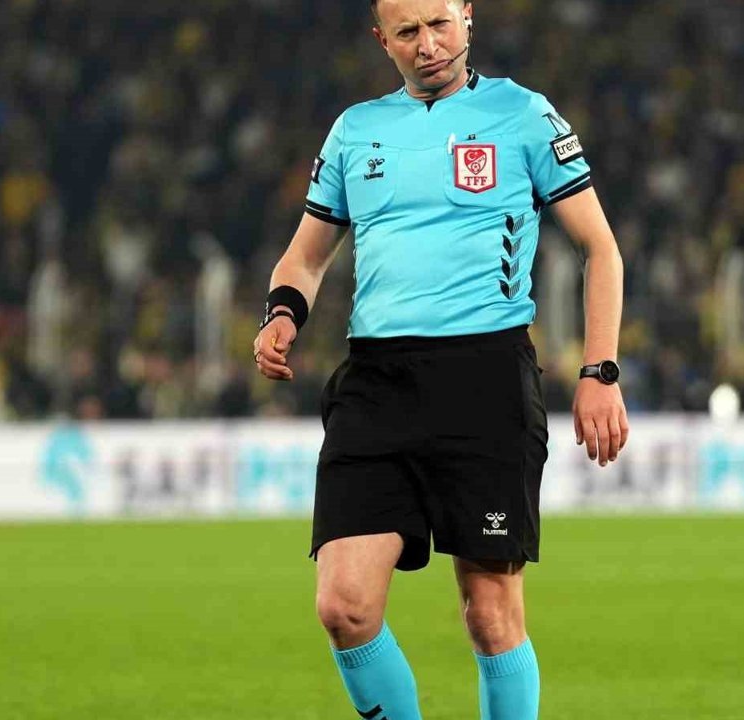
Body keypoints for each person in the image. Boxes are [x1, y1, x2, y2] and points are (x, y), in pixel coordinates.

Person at [250, 1, 629, 718]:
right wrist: (282, 313)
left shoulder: (523, 115)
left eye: (440, 25)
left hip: (485, 379)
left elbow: (600, 249)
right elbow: (304, 257)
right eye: (407, 32)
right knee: (343, 607)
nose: (428, 45)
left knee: (490, 614)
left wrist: (599, 371)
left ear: (467, 16)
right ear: (382, 41)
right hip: (376, 384)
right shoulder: (355, 130)